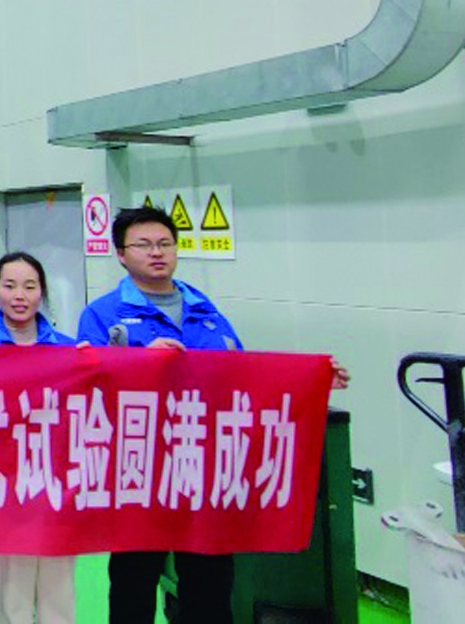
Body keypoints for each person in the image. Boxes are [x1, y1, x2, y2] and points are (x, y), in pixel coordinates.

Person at [79, 206, 349, 624]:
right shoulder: (102, 314)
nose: (157, 252)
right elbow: (85, 383)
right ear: (120, 254)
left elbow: (244, 376)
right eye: (144, 245)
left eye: (165, 243)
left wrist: (311, 382)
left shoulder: (204, 309)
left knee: (211, 583)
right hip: (140, 471)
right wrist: (138, 362)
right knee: (134, 580)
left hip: (205, 469)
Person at [0, 253, 75, 624]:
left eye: (29, 286)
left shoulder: (71, 351)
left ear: (42, 292)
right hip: (3, 489)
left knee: (59, 594)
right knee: (11, 594)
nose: (19, 296)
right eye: (9, 285)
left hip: (57, 487)